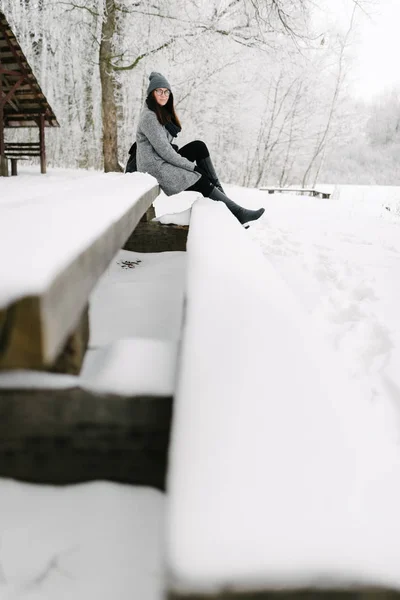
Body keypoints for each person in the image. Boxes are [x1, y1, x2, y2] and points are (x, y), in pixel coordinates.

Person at [136, 72, 265, 225]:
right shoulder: (150, 117)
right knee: (199, 177)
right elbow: (165, 152)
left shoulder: (159, 112)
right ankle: (237, 213)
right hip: (155, 167)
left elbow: (164, 148)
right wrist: (193, 167)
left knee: (199, 147)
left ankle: (225, 204)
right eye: (159, 91)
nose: (163, 95)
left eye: (166, 91)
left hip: (160, 159)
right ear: (152, 93)